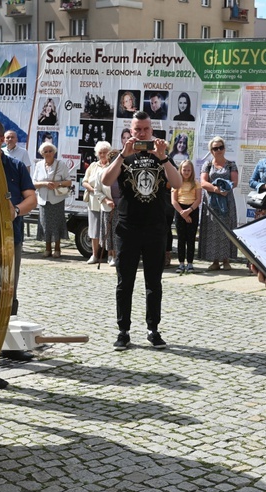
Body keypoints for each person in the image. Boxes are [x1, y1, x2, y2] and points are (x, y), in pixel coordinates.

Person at [100, 111, 183, 351]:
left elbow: (177, 184)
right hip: (127, 227)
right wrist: (123, 156)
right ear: (131, 130)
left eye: (146, 129)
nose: (142, 134)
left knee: (153, 282)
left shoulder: (161, 155)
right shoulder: (122, 155)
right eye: (138, 130)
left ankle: (153, 329)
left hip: (156, 227)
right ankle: (123, 331)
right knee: (124, 282)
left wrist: (164, 158)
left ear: (152, 130)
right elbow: (106, 181)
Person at [0, 120, 38, 381]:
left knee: (9, 295)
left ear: (0, 139)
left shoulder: (15, 166)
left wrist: (16, 211)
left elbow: (32, 199)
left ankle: (8, 344)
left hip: (11, 239)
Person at [199, 136, 238, 271]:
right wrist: (216, 189)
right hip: (212, 202)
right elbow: (203, 182)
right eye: (215, 148)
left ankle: (226, 260)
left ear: (224, 148)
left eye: (221, 147)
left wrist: (225, 189)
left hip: (227, 201)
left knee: (226, 229)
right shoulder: (207, 165)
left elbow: (235, 182)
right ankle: (215, 261)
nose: (219, 150)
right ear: (211, 150)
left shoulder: (231, 164)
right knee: (213, 230)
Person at [32, 141, 70, 258]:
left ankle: (57, 249)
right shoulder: (38, 165)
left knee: (57, 224)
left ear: (54, 152)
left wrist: (57, 183)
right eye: (45, 151)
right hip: (43, 199)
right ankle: (47, 248)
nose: (48, 153)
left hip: (57, 199)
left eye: (50, 151)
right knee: (45, 224)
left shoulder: (61, 165)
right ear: (41, 153)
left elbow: (68, 181)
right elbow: (33, 183)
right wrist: (44, 183)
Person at [83, 141, 111, 265]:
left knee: (108, 230)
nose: (103, 155)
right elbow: (84, 181)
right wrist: (93, 189)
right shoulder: (93, 166)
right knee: (94, 229)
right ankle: (94, 255)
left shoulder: (112, 165)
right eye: (100, 152)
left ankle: (111, 255)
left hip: (108, 201)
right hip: (94, 201)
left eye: (105, 152)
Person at [171, 160, 201, 273]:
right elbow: (174, 201)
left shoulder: (196, 183)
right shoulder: (176, 183)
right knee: (181, 238)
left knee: (191, 238)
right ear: (180, 170)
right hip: (180, 210)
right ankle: (181, 263)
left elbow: (198, 199)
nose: (186, 172)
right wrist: (182, 213)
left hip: (192, 209)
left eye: (189, 170)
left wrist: (189, 211)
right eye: (184, 170)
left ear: (192, 171)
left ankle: (190, 263)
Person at [95, 150, 119, 267]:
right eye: (113, 159)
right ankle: (111, 255)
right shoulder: (102, 172)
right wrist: (106, 200)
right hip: (108, 207)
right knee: (109, 233)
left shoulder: (123, 172)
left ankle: (116, 255)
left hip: (121, 207)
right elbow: (97, 191)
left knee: (118, 232)